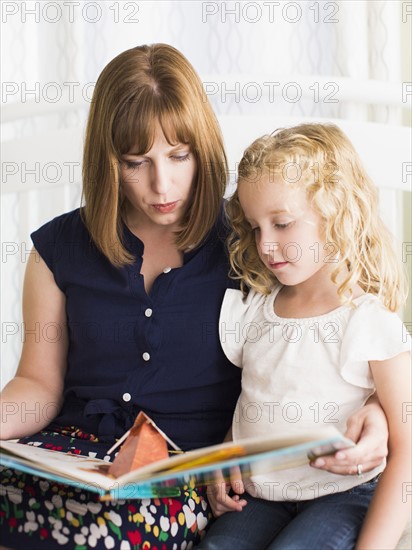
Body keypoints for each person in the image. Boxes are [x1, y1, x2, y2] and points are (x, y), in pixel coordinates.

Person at [0, 46, 388, 549]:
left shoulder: (254, 243)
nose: (162, 184)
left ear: (202, 148)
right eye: (136, 163)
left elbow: (343, 328)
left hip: (183, 469)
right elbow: (37, 383)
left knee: (110, 533)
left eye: (179, 156)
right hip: (74, 456)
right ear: (107, 162)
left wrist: (380, 409)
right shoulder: (56, 251)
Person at [197, 123, 411, 550]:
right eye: (256, 228)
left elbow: (406, 446)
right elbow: (254, 403)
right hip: (260, 498)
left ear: (335, 212)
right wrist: (225, 457)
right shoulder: (256, 307)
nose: (266, 244)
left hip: (342, 495)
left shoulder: (366, 319)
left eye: (282, 224)